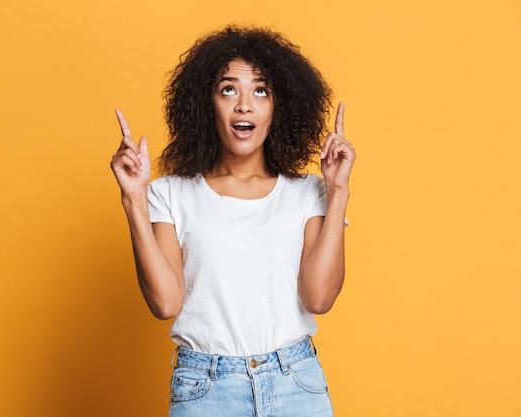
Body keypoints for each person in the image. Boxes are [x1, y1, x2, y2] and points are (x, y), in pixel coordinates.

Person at [110, 26, 356, 417]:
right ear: (206, 103)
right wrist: (133, 198)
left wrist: (338, 191)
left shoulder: (309, 192)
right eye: (228, 89)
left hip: (296, 384)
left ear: (280, 106)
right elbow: (165, 302)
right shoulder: (170, 193)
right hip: (206, 389)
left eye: (260, 90)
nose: (244, 105)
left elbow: (319, 298)